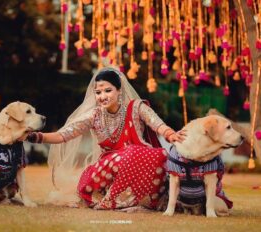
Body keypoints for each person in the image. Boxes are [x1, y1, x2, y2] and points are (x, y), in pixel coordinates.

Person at [28, 66, 185, 209]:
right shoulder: (94, 115)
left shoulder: (136, 108)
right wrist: (36, 136)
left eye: (108, 91)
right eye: (98, 92)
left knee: (160, 155)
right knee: (119, 159)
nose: (102, 96)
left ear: (119, 91)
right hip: (109, 169)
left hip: (140, 164)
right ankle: (113, 198)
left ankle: (135, 199)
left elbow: (157, 124)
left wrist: (171, 134)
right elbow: (64, 134)